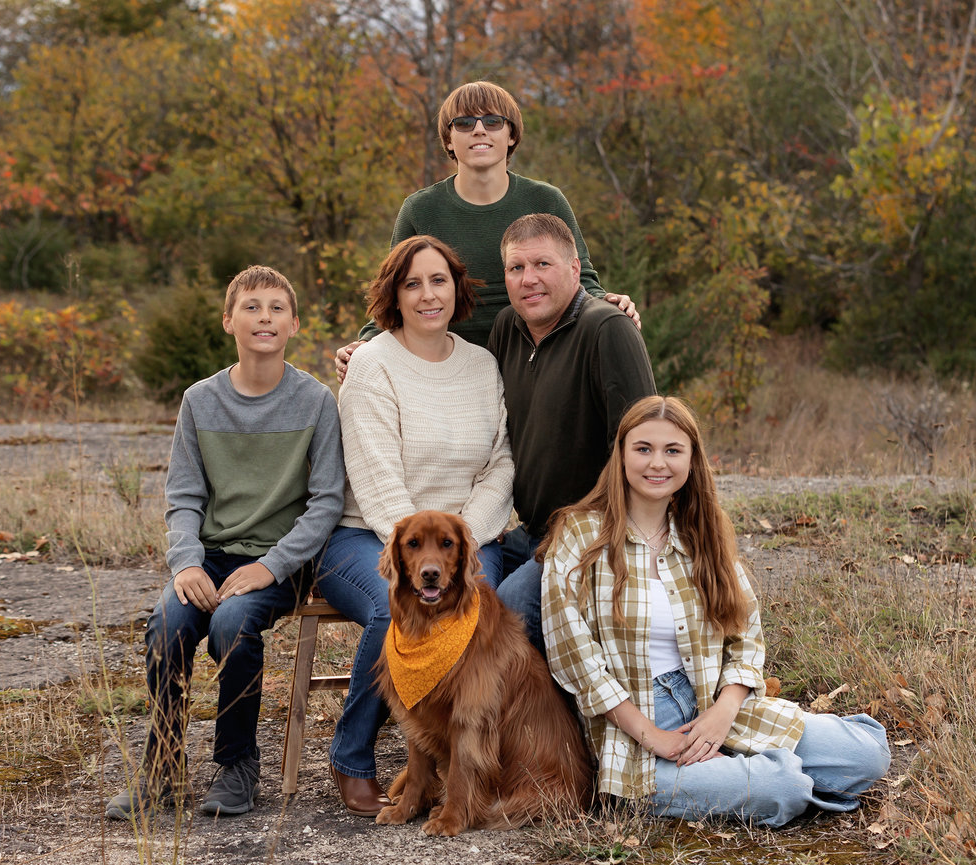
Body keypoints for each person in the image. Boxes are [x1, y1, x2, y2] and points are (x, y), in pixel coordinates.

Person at [542, 396, 891, 825]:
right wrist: (653, 737)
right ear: (621, 453)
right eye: (643, 448)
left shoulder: (700, 533)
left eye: (673, 450)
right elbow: (573, 657)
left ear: (691, 460)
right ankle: (762, 781)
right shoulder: (580, 534)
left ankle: (742, 764)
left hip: (710, 701)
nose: (657, 463)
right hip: (634, 726)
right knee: (782, 789)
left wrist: (722, 716)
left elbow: (746, 636)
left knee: (867, 755)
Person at [106, 266, 345, 820]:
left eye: (277, 308)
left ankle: (237, 766)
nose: (265, 317)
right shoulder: (200, 400)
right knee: (168, 624)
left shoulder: (315, 401)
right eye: (252, 306)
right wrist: (187, 563)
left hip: (277, 561)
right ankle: (162, 766)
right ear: (228, 321)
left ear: (295, 324)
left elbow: (326, 501)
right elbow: (184, 496)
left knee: (232, 624)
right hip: (209, 556)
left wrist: (272, 566)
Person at [315, 235, 514, 817]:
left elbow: (502, 462)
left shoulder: (482, 366)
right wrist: (419, 556)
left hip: (461, 544)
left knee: (480, 609)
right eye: (412, 283)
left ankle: (442, 761)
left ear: (458, 289)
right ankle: (352, 757)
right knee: (394, 605)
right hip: (370, 538)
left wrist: (460, 545)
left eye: (439, 281)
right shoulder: (373, 364)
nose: (428, 295)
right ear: (393, 296)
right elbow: (377, 483)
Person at [335, 80, 638, 378]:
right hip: (448, 367)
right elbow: (395, 292)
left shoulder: (546, 200)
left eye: (493, 121)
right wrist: (365, 342)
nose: (479, 129)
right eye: (464, 123)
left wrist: (608, 303)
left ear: (511, 135)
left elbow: (579, 276)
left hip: (537, 360)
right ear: (449, 140)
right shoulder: (420, 209)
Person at [490, 213, 657, 654]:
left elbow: (643, 452)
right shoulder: (507, 329)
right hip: (531, 532)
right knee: (456, 582)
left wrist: (597, 534)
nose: (529, 279)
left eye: (542, 264)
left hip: (594, 533)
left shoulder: (607, 330)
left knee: (511, 607)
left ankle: (552, 721)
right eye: (516, 268)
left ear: (573, 268)